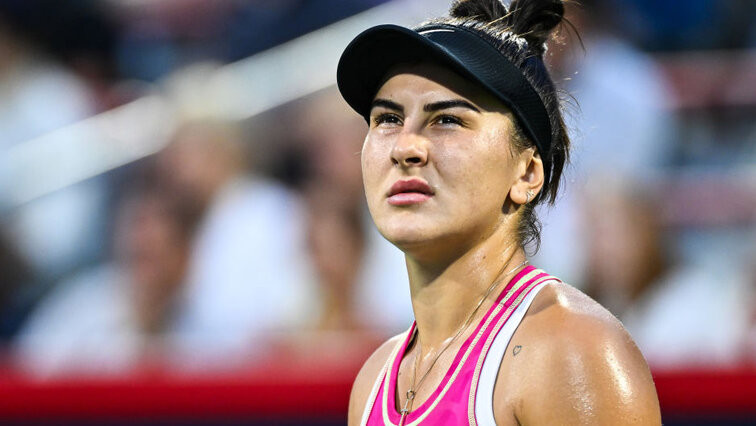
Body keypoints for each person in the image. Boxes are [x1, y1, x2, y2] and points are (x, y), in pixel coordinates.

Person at [335, 0, 661, 424]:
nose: (405, 147)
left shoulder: (568, 350)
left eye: (447, 120)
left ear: (526, 173)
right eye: (388, 118)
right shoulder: (374, 379)